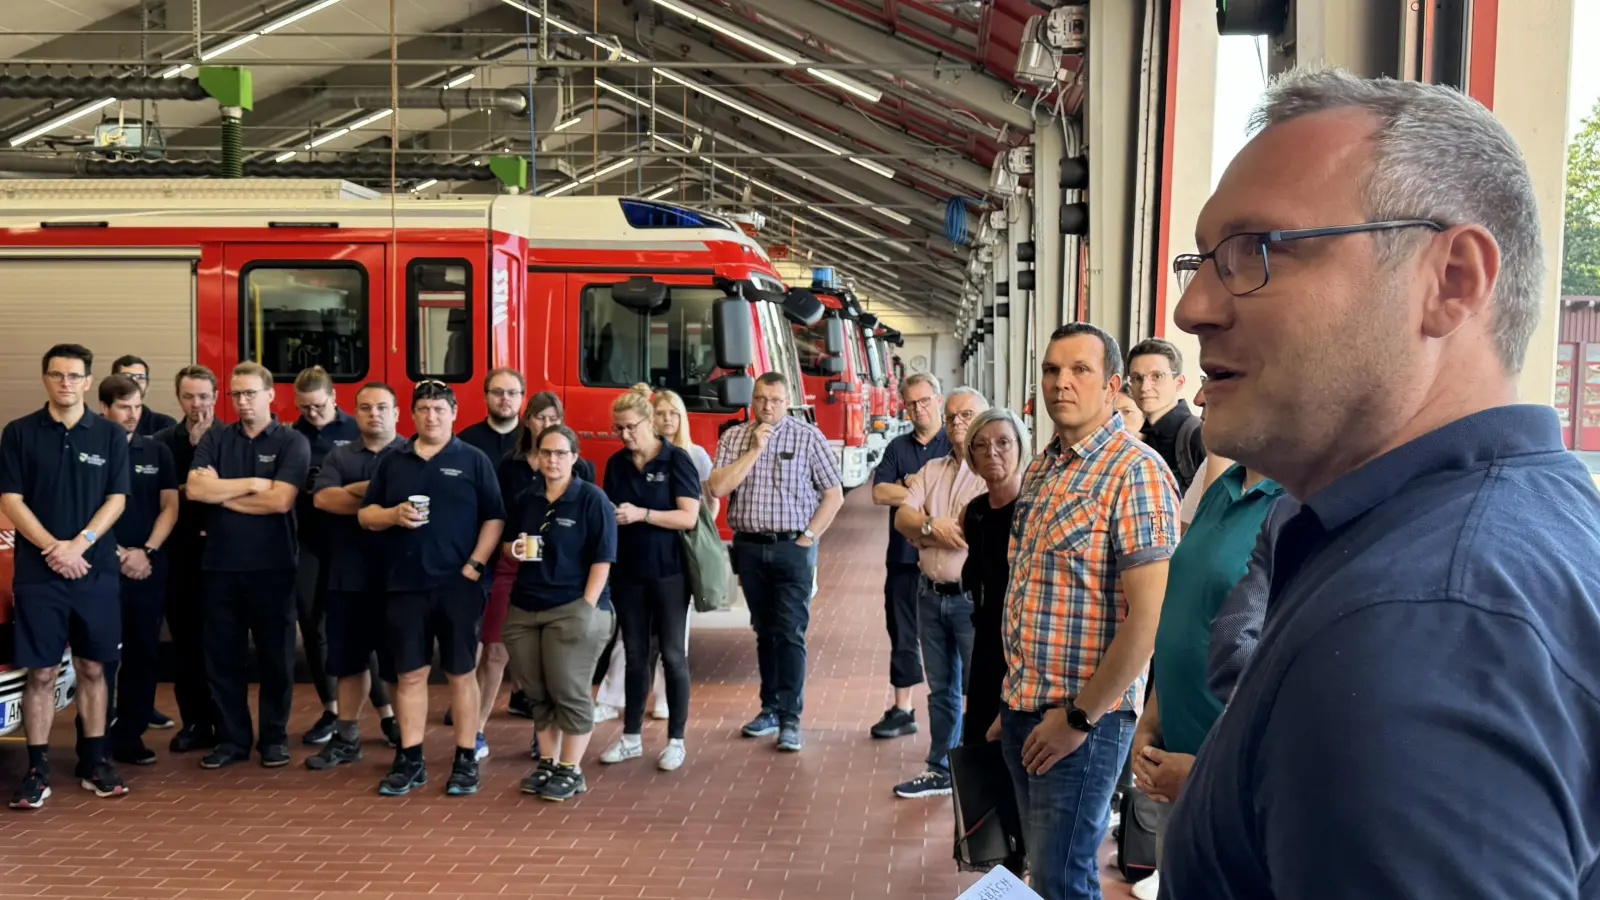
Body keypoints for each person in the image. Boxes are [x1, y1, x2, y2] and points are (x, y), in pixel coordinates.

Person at [1160, 68, 1600, 899]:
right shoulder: (1521, 522)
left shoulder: (1420, 629)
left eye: (1258, 251)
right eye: (1204, 257)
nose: (1193, 307)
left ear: (1453, 281)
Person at [1002, 323, 1179, 900]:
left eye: (1080, 370)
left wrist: (1078, 719)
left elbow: (1148, 619)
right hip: (1026, 710)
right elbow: (1031, 591)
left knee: (1063, 879)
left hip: (1083, 724)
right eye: (1052, 370)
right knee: (1041, 871)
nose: (1062, 383)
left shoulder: (1137, 471)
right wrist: (1013, 700)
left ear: (1111, 385)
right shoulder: (1042, 470)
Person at [1127, 457, 1282, 900]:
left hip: (1229, 788)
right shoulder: (1222, 487)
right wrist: (1152, 717)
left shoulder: (1292, 501)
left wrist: (1204, 775)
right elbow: (1186, 613)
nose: (1198, 398)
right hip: (1179, 765)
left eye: (1219, 382)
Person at [359, 380, 505, 797]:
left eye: (440, 409)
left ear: (455, 413)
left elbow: (494, 518)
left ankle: (463, 758)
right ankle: (410, 759)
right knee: (410, 674)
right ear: (412, 414)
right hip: (404, 585)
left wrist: (475, 564)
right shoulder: (393, 461)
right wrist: (392, 514)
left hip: (458, 586)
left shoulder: (474, 460)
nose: (431, 416)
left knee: (461, 673)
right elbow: (366, 515)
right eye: (423, 409)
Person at [1, 343, 131, 807]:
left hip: (94, 573)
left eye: (74, 376)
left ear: (88, 381)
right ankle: (36, 770)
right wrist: (54, 549)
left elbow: (117, 499)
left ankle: (96, 761)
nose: (65, 383)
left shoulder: (111, 436)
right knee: (40, 672)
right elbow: (11, 500)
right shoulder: (18, 433)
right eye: (57, 375)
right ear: (44, 380)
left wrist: (81, 545)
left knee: (93, 667)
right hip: (40, 575)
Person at [708, 372, 844, 753]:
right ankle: (768, 709)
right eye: (760, 398)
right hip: (749, 548)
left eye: (775, 400)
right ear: (752, 400)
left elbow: (833, 495)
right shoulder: (734, 437)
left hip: (792, 549)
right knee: (764, 630)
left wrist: (808, 539)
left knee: (790, 632)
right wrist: (754, 450)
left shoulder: (807, 436)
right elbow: (718, 487)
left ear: (788, 402)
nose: (767, 406)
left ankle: (790, 718)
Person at [187, 362, 311, 770]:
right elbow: (194, 489)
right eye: (236, 395)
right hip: (220, 568)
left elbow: (281, 501)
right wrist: (254, 484)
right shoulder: (215, 438)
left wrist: (221, 495)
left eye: (250, 393)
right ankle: (232, 740)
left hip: (273, 568)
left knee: (276, 659)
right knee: (222, 658)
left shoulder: (293, 442)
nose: (242, 401)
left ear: (271, 394)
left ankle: (274, 739)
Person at [500, 424, 617, 802]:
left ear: (575, 458)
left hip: (573, 608)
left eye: (560, 453)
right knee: (536, 692)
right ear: (536, 458)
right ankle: (548, 762)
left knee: (568, 689)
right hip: (525, 606)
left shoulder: (591, 499)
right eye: (545, 453)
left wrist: (586, 606)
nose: (552, 460)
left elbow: (604, 558)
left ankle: (571, 769)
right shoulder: (527, 498)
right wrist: (512, 551)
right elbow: (507, 542)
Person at [475, 391, 594, 758]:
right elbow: (496, 518)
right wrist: (497, 553)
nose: (546, 424)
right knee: (494, 650)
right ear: (528, 422)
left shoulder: (581, 470)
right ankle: (475, 730)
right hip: (512, 566)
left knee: (548, 658)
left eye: (553, 417)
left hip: (560, 572)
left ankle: (545, 732)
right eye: (540, 417)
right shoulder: (509, 466)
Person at [890, 387, 989, 799]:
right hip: (929, 595)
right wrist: (932, 528)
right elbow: (903, 519)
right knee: (942, 689)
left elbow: (975, 534)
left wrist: (926, 528)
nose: (958, 424)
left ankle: (982, 772)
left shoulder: (994, 470)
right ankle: (941, 767)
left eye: (967, 415)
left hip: (972, 599)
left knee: (981, 689)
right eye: (951, 417)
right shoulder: (932, 469)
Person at [597, 386, 702, 772]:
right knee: (635, 655)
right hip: (629, 572)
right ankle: (630, 738)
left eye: (630, 428)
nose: (625, 436)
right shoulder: (616, 463)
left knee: (673, 655)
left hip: (670, 572)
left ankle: (676, 740)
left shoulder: (677, 460)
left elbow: (688, 517)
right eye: (618, 429)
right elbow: (609, 511)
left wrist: (642, 514)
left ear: (650, 422)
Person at [304, 382, 407, 770]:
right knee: (349, 663)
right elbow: (323, 499)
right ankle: (347, 738)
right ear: (356, 412)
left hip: (399, 580)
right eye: (365, 408)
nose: (374, 414)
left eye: (382, 407)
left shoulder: (411, 454)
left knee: (399, 665)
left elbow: (411, 498)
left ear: (397, 412)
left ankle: (406, 740)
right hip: (347, 577)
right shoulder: (340, 453)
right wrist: (382, 496)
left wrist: (354, 494)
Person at [97, 374, 179, 767]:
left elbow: (170, 506)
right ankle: (93, 739)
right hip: (100, 568)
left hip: (148, 568)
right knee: (99, 657)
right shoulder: (90, 451)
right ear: (105, 409)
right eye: (124, 407)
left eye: (137, 406)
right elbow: (83, 510)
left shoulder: (157, 451)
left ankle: (129, 736)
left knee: (144, 654)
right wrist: (116, 554)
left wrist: (145, 552)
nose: (133, 414)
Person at [867, 372, 949, 740]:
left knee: (953, 637)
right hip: (902, 560)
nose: (918, 409)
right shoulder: (897, 447)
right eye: (911, 403)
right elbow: (879, 493)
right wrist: (928, 493)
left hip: (949, 561)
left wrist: (911, 486)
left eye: (924, 401)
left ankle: (956, 714)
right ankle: (903, 709)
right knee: (902, 634)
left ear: (939, 399)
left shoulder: (955, 443)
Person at [151, 365, 224, 754]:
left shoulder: (233, 438)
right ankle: (195, 722)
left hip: (225, 556)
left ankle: (228, 725)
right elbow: (157, 498)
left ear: (215, 396)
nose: (196, 405)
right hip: (180, 557)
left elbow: (237, 493)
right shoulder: (161, 443)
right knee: (187, 645)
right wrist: (197, 486)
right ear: (178, 398)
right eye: (188, 397)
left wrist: (199, 488)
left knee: (224, 644)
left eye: (203, 396)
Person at [290, 365, 364, 746]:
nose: (312, 415)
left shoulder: (355, 431)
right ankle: (331, 708)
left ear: (334, 399)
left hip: (351, 539)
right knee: (312, 622)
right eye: (304, 408)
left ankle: (381, 712)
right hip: (308, 539)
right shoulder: (292, 435)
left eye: (318, 407)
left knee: (360, 625)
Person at [957, 408, 1030, 749]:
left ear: (1021, 447)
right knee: (978, 743)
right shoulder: (975, 512)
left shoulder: (1032, 511)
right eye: (981, 444)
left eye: (1003, 442)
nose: (992, 452)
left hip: (1024, 650)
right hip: (986, 643)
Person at [1125, 339, 1204, 493]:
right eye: (1137, 378)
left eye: (1157, 376)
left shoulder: (1197, 434)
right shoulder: (1142, 438)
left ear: (1179, 382)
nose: (1144, 387)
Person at [457, 368, 526, 465]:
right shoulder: (465, 440)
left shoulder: (532, 439)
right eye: (497, 392)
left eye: (512, 393)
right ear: (485, 397)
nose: (505, 398)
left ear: (522, 398)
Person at [111, 354, 179, 438]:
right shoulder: (97, 424)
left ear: (147, 386)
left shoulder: (164, 425)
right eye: (127, 377)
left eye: (140, 377)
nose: (134, 382)